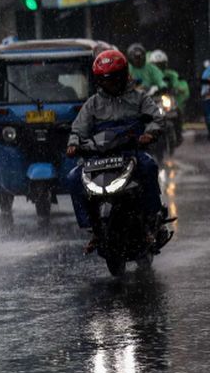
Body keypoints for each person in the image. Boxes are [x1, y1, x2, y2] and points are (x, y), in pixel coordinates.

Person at [65, 49, 166, 252]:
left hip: (131, 154)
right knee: (73, 178)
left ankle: (152, 220)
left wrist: (150, 133)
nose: (109, 83)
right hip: (99, 157)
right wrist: (74, 143)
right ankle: (93, 228)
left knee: (149, 166)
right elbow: (78, 128)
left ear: (123, 76)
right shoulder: (92, 104)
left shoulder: (139, 98)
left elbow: (157, 118)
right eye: (104, 79)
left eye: (113, 78)